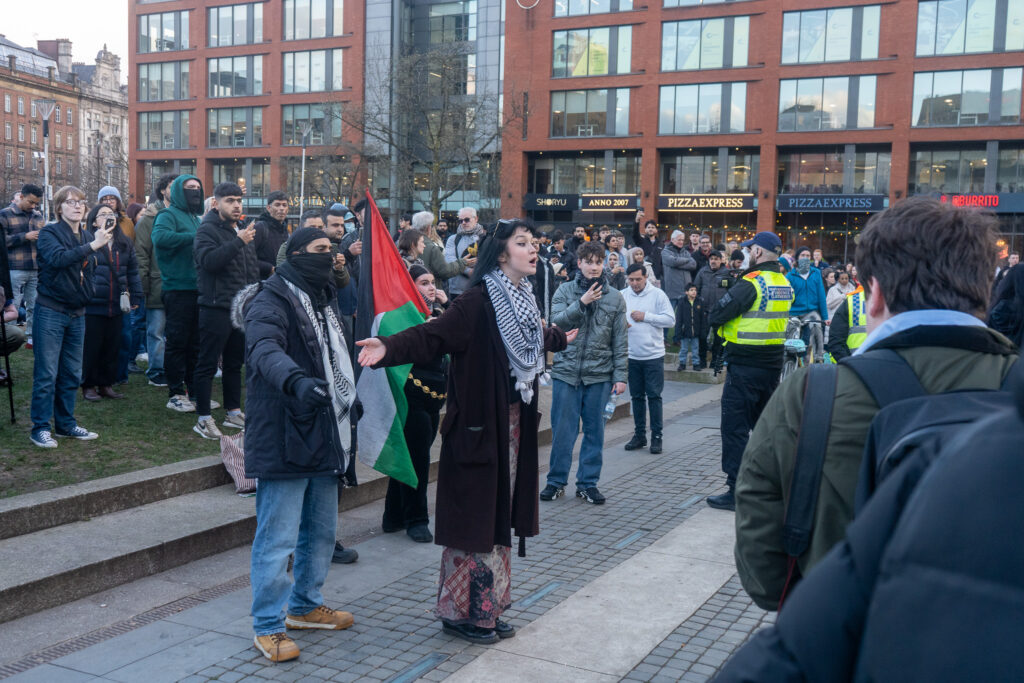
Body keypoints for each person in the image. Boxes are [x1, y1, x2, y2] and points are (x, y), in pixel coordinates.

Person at [734, 198, 1019, 611]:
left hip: (843, 637)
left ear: (876, 292)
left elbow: (763, 557)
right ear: (985, 290)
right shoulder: (1014, 388)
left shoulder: (812, 393)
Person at [718, 361, 1024, 682]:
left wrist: (779, 592)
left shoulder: (818, 388)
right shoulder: (1002, 406)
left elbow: (759, 498)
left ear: (876, 306)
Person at [356, 219, 572, 645]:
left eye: (534, 243)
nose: (533, 250)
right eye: (522, 243)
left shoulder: (523, 300)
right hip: (477, 433)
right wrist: (388, 348)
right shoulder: (476, 301)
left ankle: (484, 608)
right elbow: (433, 335)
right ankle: (469, 613)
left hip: (510, 427)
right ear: (501, 253)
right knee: (477, 526)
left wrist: (560, 338)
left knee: (498, 521)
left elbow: (533, 337)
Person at [241, 227, 357, 663]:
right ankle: (268, 625)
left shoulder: (324, 299)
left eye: (334, 250)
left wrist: (348, 399)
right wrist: (296, 380)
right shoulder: (269, 300)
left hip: (324, 429)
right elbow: (264, 350)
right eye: (321, 251)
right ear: (296, 255)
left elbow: (335, 357)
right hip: (284, 431)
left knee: (322, 531)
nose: (331, 258)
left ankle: (305, 606)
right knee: (277, 538)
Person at [706, 231, 794, 511]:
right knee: (766, 428)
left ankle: (736, 490)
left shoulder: (751, 283)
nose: (746, 253)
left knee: (735, 428)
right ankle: (773, 484)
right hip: (772, 365)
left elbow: (717, 315)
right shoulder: (783, 281)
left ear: (758, 252)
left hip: (744, 365)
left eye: (749, 248)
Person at [541, 241, 628, 505]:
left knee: (595, 433)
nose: (593, 267)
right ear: (579, 263)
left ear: (604, 264)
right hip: (566, 373)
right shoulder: (565, 290)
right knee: (563, 432)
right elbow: (555, 323)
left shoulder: (615, 297)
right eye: (588, 261)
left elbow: (620, 339)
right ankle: (556, 482)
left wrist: (620, 376)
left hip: (599, 375)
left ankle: (588, 484)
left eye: (598, 262)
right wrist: (582, 302)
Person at [30, 186, 112, 448]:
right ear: (59, 207)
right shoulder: (48, 233)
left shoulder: (87, 235)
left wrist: (88, 290)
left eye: (80, 202)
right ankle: (40, 428)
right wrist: (92, 245)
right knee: (47, 373)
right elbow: (57, 259)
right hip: (51, 311)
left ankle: (65, 424)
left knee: (72, 373)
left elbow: (91, 268)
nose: (77, 206)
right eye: (70, 202)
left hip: (78, 313)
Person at [381, 265, 448, 544]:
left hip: (435, 398)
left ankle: (393, 515)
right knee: (418, 460)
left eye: (433, 282)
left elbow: (467, 333)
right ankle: (416, 520)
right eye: (423, 283)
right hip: (412, 398)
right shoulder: (401, 319)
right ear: (409, 287)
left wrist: (448, 304)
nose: (431, 287)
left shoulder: (440, 314)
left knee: (413, 456)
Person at [191, 182, 259, 439]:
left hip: (241, 310)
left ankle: (233, 412)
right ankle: (203, 418)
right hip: (215, 306)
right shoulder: (206, 230)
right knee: (207, 363)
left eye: (239, 200)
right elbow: (209, 263)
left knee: (234, 363)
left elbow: (250, 269)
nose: (237, 205)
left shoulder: (240, 230)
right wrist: (238, 242)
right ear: (216, 203)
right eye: (230, 200)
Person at [153, 175, 205, 413]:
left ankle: (194, 392)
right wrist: (195, 237)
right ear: (177, 191)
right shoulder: (167, 215)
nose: (195, 191)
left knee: (195, 344)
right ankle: (175, 392)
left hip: (197, 288)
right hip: (177, 288)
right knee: (177, 342)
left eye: (197, 188)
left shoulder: (195, 217)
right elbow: (161, 238)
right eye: (189, 188)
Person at [81, 203, 142, 401]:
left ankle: (106, 384)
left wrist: (137, 294)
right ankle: (88, 385)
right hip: (93, 303)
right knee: (92, 347)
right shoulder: (87, 241)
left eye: (111, 213)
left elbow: (133, 271)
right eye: (103, 214)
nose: (109, 217)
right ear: (94, 220)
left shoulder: (124, 242)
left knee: (112, 345)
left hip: (117, 302)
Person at [621, 263, 674, 454]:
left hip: (653, 355)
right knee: (636, 397)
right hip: (632, 355)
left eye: (638, 279)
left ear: (646, 278)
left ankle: (657, 436)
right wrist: (621, 324)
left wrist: (646, 316)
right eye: (631, 280)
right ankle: (639, 435)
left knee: (654, 396)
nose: (634, 283)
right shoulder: (622, 295)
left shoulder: (658, 295)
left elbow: (670, 319)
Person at [134, 173, 176, 388]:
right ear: (163, 190)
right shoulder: (150, 218)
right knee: (156, 331)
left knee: (177, 331)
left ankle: (174, 369)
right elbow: (141, 253)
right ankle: (156, 371)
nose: (176, 189)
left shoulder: (187, 216)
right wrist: (143, 285)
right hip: (158, 282)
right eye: (172, 185)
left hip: (181, 284)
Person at [1, 184, 44, 348]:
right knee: (13, 306)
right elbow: (2, 241)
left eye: (36, 203)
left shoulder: (38, 216)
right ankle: (9, 338)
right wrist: (24, 236)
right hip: (14, 267)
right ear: (21, 196)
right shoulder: (5, 214)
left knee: (35, 305)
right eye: (31, 202)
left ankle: (32, 338)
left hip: (35, 267)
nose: (33, 206)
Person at [786, 246, 829, 363]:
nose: (805, 258)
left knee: (815, 329)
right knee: (790, 339)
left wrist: (825, 317)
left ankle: (817, 358)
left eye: (807, 256)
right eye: (802, 255)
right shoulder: (790, 275)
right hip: (793, 312)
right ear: (797, 258)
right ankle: (788, 361)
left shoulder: (816, 273)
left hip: (811, 312)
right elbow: (786, 297)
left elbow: (821, 295)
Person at [413, 210, 472, 287]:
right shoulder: (431, 247)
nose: (464, 223)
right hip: (429, 290)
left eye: (467, 220)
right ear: (429, 228)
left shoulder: (405, 243)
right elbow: (445, 271)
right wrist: (462, 263)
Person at [444, 207, 485, 297]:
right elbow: (450, 260)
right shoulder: (453, 239)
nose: (463, 223)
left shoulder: (485, 238)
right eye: (460, 220)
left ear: (476, 219)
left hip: (481, 288)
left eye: (467, 220)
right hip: (457, 290)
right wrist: (468, 271)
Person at [252, 191, 291, 279]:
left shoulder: (286, 231)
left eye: (284, 205)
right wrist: (269, 268)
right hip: (262, 282)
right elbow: (248, 258)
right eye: (277, 205)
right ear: (269, 208)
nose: (281, 208)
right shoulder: (260, 228)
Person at [661, 229, 698, 317]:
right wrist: (686, 260)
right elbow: (672, 262)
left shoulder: (685, 252)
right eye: (679, 240)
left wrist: (677, 263)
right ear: (673, 240)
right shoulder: (665, 252)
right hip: (672, 292)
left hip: (685, 292)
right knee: (668, 317)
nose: (681, 242)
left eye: (682, 240)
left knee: (686, 319)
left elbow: (693, 265)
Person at [674, 283, 706, 371]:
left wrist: (702, 331)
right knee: (684, 349)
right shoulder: (682, 302)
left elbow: (702, 319)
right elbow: (679, 318)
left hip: (695, 331)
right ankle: (682, 364)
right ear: (686, 292)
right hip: (685, 331)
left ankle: (696, 364)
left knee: (695, 349)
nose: (694, 292)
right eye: (691, 290)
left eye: (695, 290)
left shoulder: (700, 302)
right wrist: (678, 332)